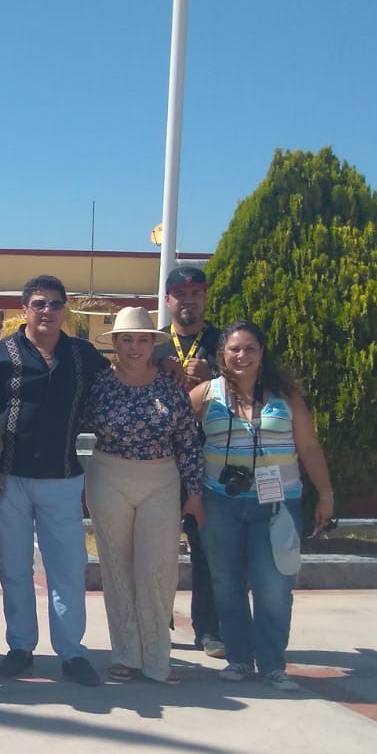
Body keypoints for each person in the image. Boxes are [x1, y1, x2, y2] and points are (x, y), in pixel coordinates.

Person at [0, 275, 111, 687]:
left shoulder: (82, 355)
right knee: (15, 569)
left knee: (67, 568)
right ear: (25, 309)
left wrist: (164, 364)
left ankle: (72, 651)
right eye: (39, 303)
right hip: (7, 479)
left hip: (62, 478)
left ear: (64, 309)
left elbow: (119, 383)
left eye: (55, 303)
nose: (47, 311)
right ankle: (20, 647)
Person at [189, 321, 334, 692]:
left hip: (278, 504)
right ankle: (239, 658)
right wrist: (189, 494)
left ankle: (272, 664)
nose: (242, 356)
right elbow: (180, 441)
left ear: (262, 353)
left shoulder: (285, 396)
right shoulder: (206, 395)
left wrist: (326, 494)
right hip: (220, 504)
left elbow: (309, 446)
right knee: (227, 584)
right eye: (234, 349)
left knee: (274, 587)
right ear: (222, 354)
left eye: (250, 348)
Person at [84, 307, 204, 684]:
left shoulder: (171, 386)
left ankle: (156, 658)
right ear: (115, 344)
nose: (134, 347)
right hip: (109, 477)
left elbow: (188, 441)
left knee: (158, 570)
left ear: (153, 344)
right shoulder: (99, 384)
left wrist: (194, 492)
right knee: (117, 568)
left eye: (142, 340)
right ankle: (125, 654)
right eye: (126, 340)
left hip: (161, 480)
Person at [151, 264, 225, 659]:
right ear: (168, 300)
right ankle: (157, 617)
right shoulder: (155, 344)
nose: (188, 301)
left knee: (206, 547)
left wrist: (216, 373)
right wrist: (159, 372)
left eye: (196, 293)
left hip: (211, 460)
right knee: (158, 546)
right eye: (180, 294)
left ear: (205, 297)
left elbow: (251, 384)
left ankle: (208, 629)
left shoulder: (223, 342)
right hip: (162, 460)